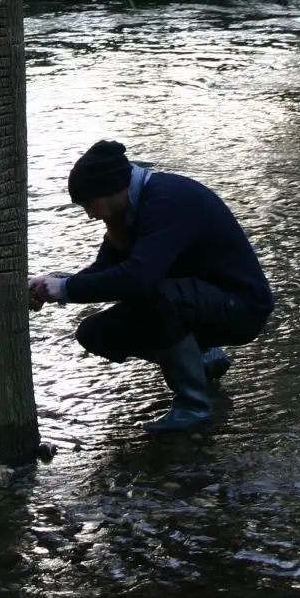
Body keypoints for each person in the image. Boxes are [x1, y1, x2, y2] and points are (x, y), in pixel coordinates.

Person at [28, 140, 274, 432]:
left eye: (90, 204)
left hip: (242, 306)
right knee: (94, 333)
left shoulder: (168, 200)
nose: (91, 215)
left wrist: (68, 289)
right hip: (198, 301)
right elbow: (106, 270)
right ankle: (201, 361)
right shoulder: (128, 209)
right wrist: (53, 284)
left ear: (113, 188)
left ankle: (193, 406)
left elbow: (139, 278)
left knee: (156, 298)